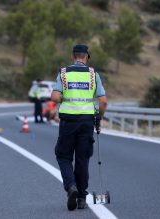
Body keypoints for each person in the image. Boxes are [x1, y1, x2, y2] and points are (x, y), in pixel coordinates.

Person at [51, 44, 107, 211]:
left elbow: (54, 97)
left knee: (63, 156)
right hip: (87, 122)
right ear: (86, 57)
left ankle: (71, 187)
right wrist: (99, 117)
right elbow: (103, 101)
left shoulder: (63, 73)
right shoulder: (93, 74)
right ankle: (82, 198)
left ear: (72, 56)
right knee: (83, 159)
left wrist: (65, 99)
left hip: (68, 121)